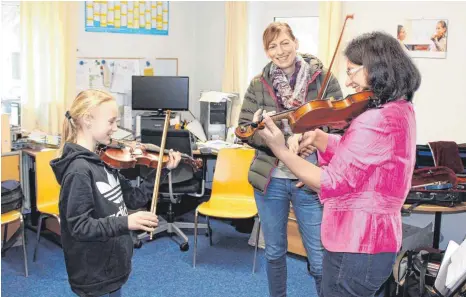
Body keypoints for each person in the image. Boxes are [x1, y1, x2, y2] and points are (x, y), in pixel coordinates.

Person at [257, 31, 421, 297]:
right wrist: (322, 139)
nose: (348, 81)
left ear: (375, 68)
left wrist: (280, 150)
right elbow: (363, 158)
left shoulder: (374, 120)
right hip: (377, 242)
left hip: (356, 244)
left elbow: (332, 181)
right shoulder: (400, 109)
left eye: (352, 71)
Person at [238, 22, 343, 297]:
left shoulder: (323, 78)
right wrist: (273, 140)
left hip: (310, 180)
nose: (280, 51)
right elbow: (245, 130)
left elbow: (341, 122)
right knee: (273, 252)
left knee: (319, 258)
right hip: (271, 180)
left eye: (284, 43)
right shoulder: (257, 84)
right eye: (272, 46)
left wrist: (314, 137)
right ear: (266, 51)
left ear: (295, 42)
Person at [50, 89, 182, 297]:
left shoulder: (103, 160)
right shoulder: (79, 171)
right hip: (93, 271)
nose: (115, 128)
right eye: (111, 122)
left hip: (112, 264)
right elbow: (78, 226)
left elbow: (135, 197)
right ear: (88, 120)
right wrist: (127, 222)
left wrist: (163, 169)